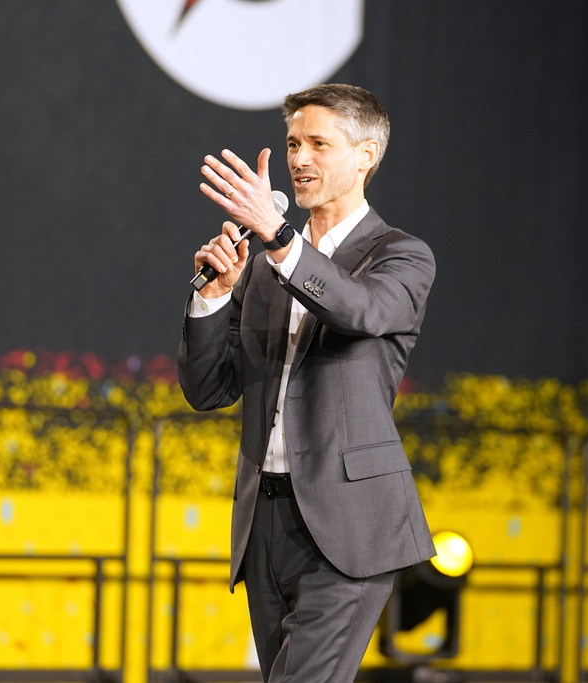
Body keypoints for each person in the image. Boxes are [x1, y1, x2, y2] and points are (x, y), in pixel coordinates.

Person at [177, 84, 436, 682]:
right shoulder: (266, 267)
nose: (299, 158)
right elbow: (209, 389)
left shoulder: (400, 255)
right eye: (293, 144)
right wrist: (212, 298)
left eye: (319, 143)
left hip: (348, 525)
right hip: (264, 520)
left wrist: (279, 239)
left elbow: (360, 311)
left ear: (367, 155)